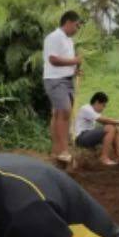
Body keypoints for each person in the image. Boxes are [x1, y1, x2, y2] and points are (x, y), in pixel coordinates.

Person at [43, 11, 82, 163]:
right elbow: (53, 59)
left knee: (59, 114)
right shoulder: (54, 37)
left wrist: (75, 69)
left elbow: (65, 61)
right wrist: (74, 61)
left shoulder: (69, 41)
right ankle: (64, 151)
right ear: (69, 22)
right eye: (77, 25)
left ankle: (56, 151)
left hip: (67, 80)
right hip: (55, 80)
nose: (77, 29)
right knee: (64, 112)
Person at [73, 91, 119, 165]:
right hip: (81, 138)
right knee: (110, 128)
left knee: (114, 128)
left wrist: (118, 124)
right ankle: (104, 158)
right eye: (103, 105)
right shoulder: (86, 108)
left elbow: (106, 122)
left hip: (88, 136)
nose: (103, 108)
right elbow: (103, 120)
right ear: (97, 102)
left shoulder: (94, 112)